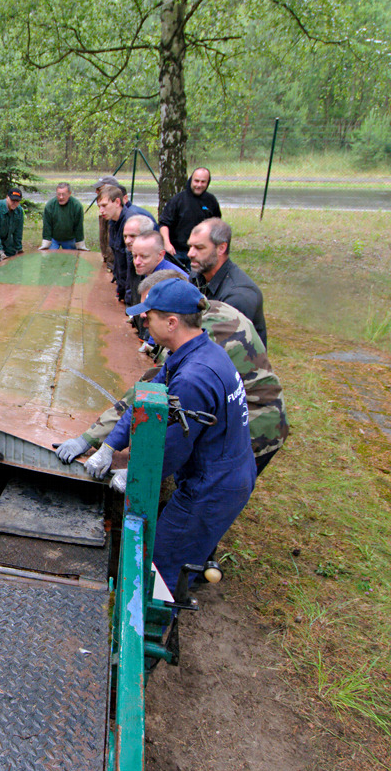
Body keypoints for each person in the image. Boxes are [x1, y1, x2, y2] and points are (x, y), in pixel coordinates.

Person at [80, 279, 257, 585]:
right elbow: (146, 397)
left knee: (163, 565)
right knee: (166, 556)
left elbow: (170, 447)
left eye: (149, 316)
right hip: (219, 470)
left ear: (172, 322)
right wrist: (109, 445)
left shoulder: (193, 378)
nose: (143, 321)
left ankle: (153, 624)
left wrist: (134, 473)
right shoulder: (195, 351)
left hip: (214, 486)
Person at [55, 269, 288, 476]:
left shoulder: (199, 338)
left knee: (209, 487)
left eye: (151, 311)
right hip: (232, 411)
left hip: (257, 424)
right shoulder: (202, 314)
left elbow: (152, 393)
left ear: (172, 314)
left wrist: (92, 440)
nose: (144, 320)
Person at [187, 218, 267, 348]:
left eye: (199, 248)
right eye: (190, 246)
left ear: (221, 248)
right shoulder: (197, 277)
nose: (190, 253)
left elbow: (219, 350)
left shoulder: (239, 295)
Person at [97, 184, 156, 302]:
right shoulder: (112, 222)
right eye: (99, 206)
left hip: (136, 291)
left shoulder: (131, 223)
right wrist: (120, 290)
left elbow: (133, 267)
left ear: (117, 202)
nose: (101, 211)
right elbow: (118, 261)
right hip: (124, 288)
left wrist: (129, 298)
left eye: (104, 205)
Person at [158, 167, 221, 269]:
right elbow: (164, 224)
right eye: (196, 181)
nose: (199, 185)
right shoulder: (178, 200)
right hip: (176, 252)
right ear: (191, 180)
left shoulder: (211, 201)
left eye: (203, 182)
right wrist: (167, 243)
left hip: (201, 251)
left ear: (208, 183)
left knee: (197, 283)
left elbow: (217, 227)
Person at [127, 230, 186, 307]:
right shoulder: (146, 269)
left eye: (144, 257)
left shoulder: (172, 281)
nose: (136, 262)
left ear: (160, 255)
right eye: (134, 256)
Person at [40, 182, 85, 250]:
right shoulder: (50, 205)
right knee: (50, 258)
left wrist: (80, 245)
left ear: (69, 193)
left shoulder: (77, 206)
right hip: (53, 239)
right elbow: (47, 226)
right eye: (58, 194)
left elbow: (79, 227)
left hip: (70, 239)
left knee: (71, 259)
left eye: (63, 194)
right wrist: (46, 243)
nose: (61, 197)